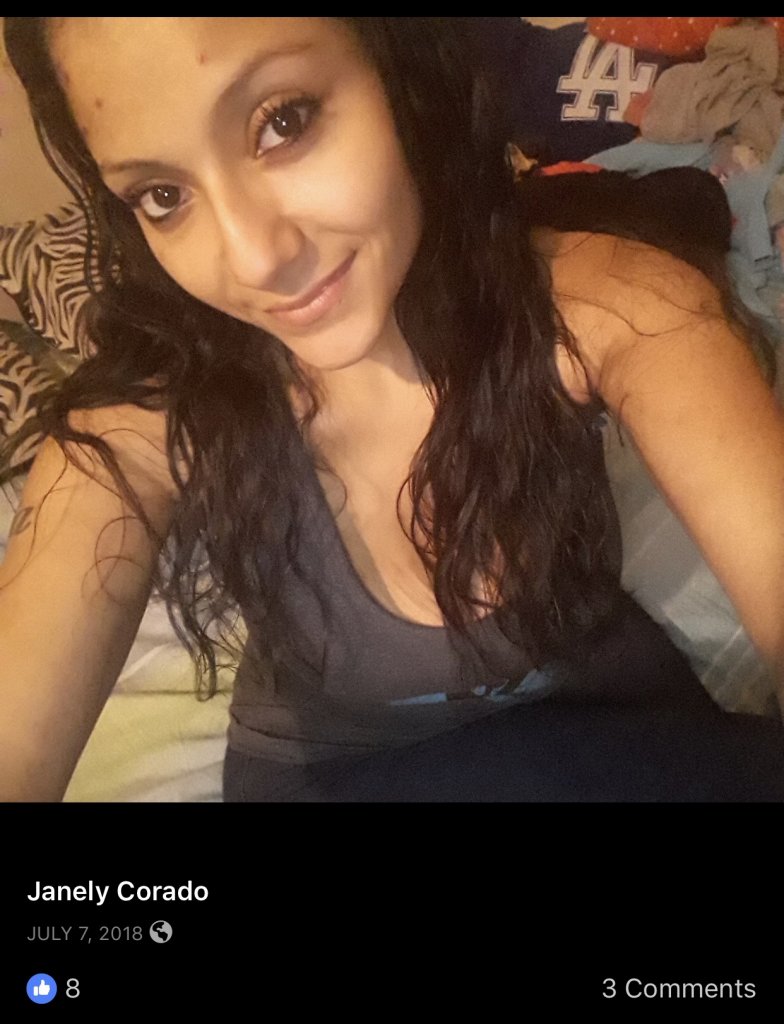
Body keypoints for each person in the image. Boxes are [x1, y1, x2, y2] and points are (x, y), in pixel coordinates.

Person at [1, 17, 783, 803]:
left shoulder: (613, 306)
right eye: (163, 196)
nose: (254, 258)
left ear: (398, 63)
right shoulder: (140, 426)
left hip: (614, 726)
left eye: (283, 121)